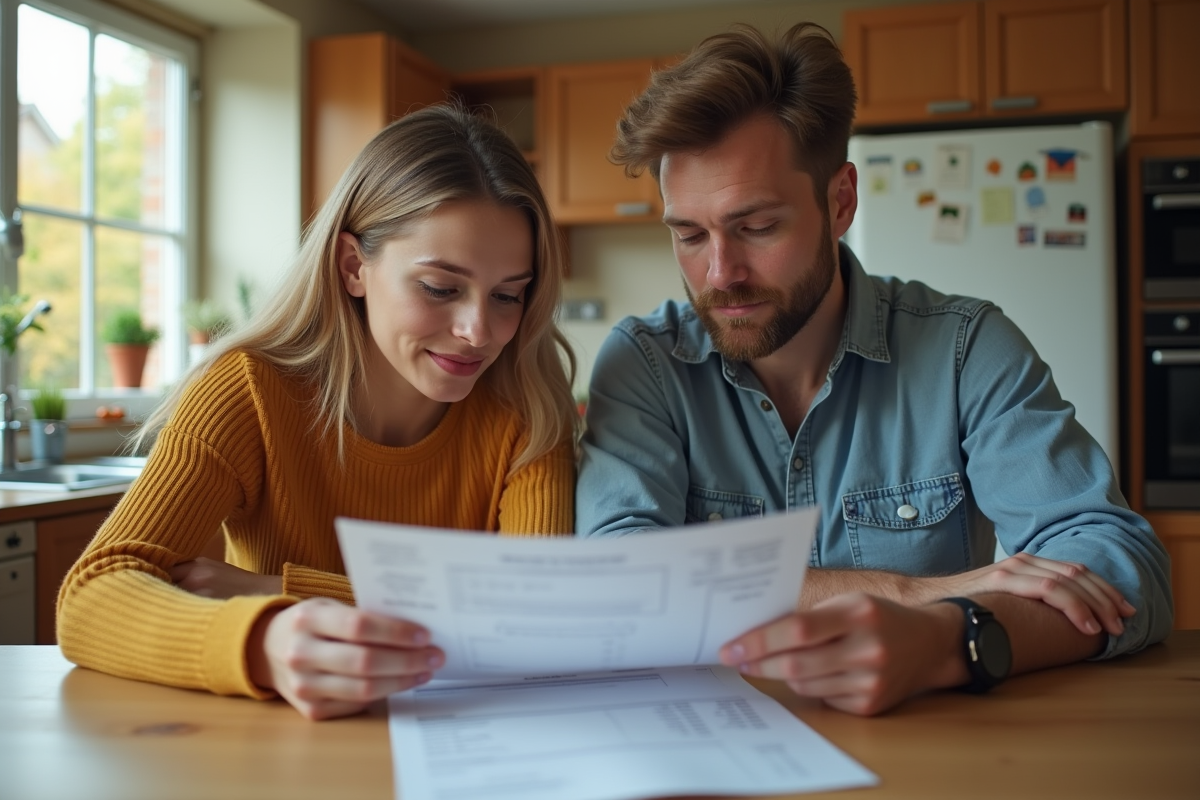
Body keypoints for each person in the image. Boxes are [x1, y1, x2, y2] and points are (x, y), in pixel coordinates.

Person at [575, 23, 1172, 715]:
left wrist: (952, 638)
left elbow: (1123, 566)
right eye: (688, 235)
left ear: (840, 202)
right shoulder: (646, 364)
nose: (719, 273)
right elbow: (619, 579)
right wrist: (909, 593)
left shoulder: (965, 348)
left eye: (757, 227)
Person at [57, 104, 579, 721]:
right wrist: (260, 641)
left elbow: (531, 619)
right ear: (354, 267)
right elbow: (92, 596)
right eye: (440, 288)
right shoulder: (247, 392)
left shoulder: (530, 415)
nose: (478, 331)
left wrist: (275, 590)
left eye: (508, 295)